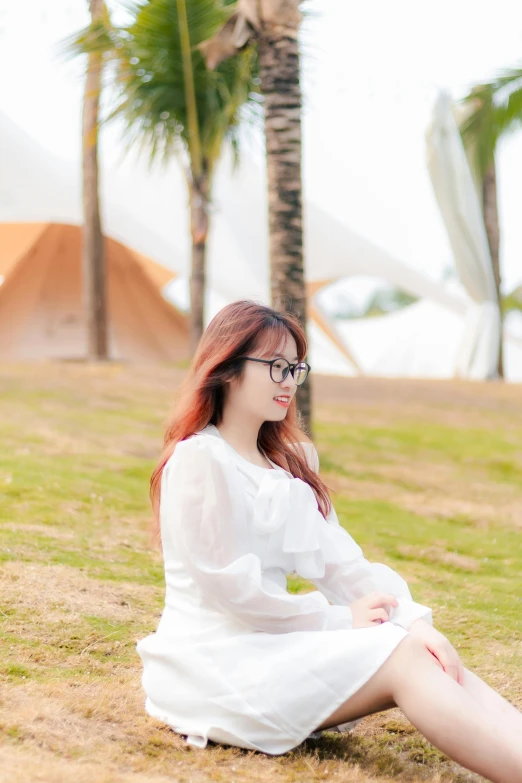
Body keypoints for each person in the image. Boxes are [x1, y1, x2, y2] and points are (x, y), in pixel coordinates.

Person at [136, 300, 522, 782]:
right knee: (400, 658)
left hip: (274, 647)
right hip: (215, 664)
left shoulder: (293, 461)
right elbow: (230, 592)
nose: (288, 381)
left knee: (418, 648)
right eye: (275, 366)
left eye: (295, 367)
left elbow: (341, 564)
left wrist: (413, 622)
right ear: (228, 368)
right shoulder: (199, 460)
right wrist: (340, 621)